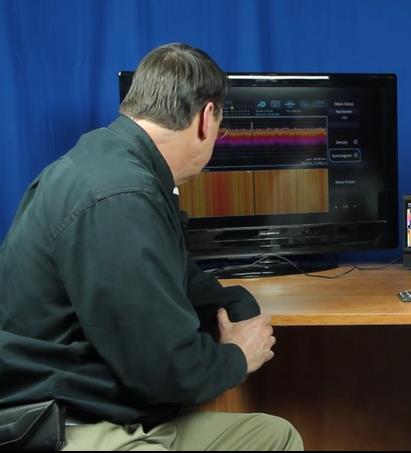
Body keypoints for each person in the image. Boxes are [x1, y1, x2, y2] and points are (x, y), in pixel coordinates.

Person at [0, 43, 302, 451]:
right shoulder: (120, 197)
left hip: (103, 406)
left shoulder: (114, 162)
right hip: (63, 422)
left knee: (275, 437)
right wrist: (237, 356)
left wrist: (236, 305)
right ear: (206, 118)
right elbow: (164, 370)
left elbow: (175, 276)